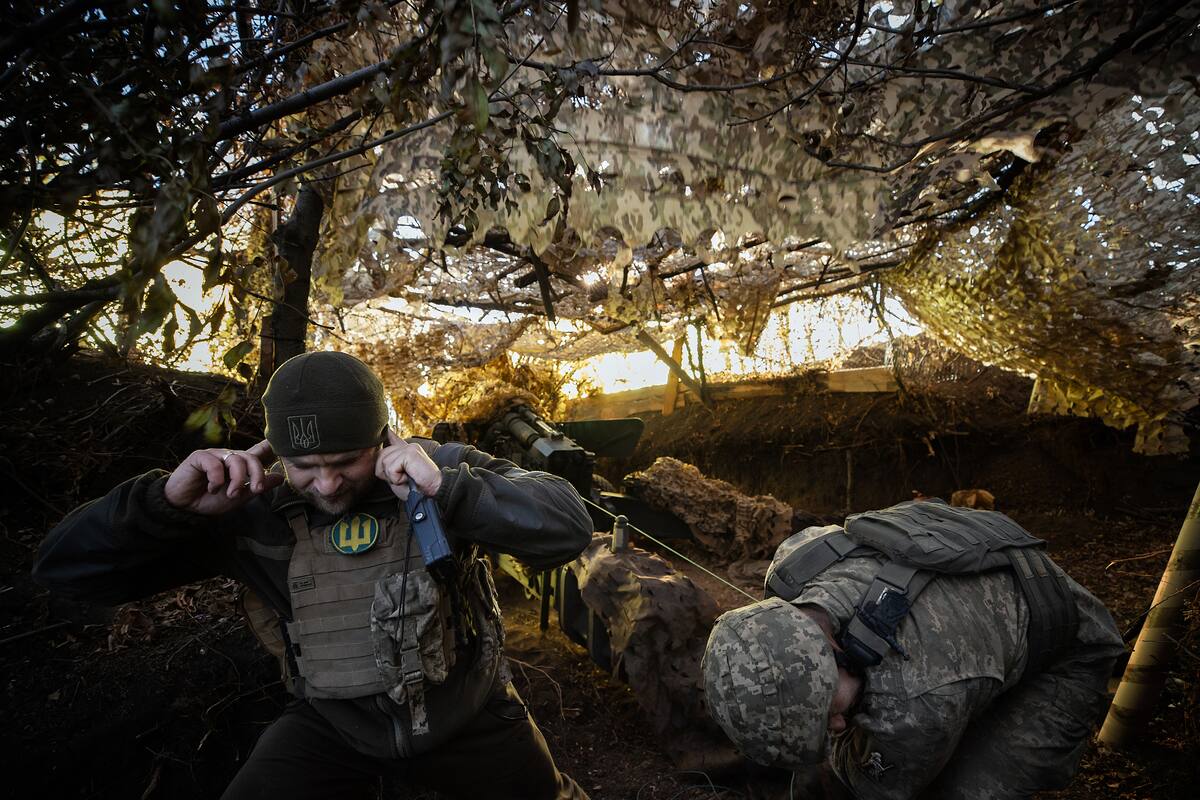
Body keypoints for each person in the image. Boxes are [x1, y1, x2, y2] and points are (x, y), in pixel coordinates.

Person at [34, 351, 593, 800]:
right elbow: (65, 572)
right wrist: (163, 505)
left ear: (382, 439)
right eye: (304, 466)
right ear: (275, 451)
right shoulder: (251, 507)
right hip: (332, 727)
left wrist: (449, 490)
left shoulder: (435, 470)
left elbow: (568, 527)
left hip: (467, 713)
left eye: (346, 461)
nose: (327, 485)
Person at [702, 499, 1125, 800]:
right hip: (979, 584)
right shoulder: (792, 568)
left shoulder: (913, 698)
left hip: (1067, 645)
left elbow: (881, 784)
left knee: (965, 789)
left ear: (830, 648)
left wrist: (840, 752)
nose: (837, 724)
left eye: (828, 710)